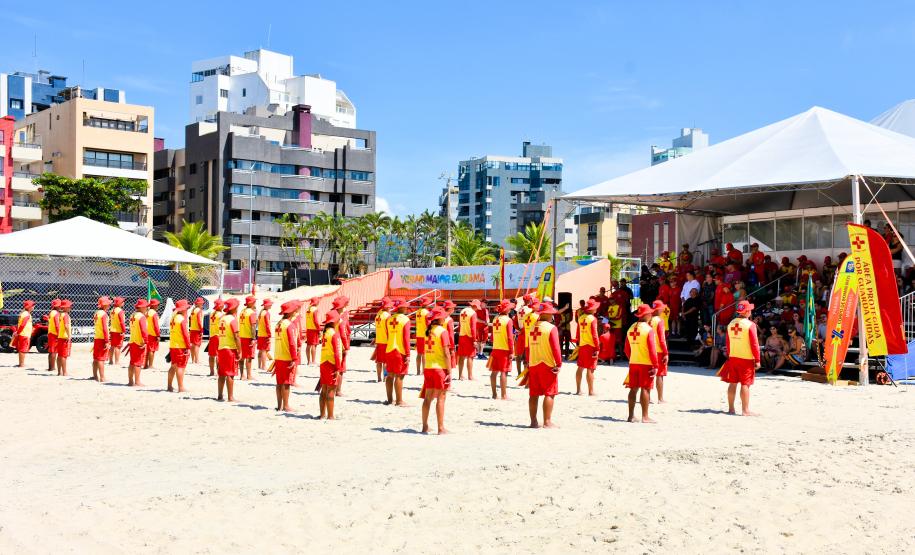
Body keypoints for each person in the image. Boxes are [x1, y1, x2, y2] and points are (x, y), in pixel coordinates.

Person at [719, 301, 761, 415]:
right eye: (750, 310)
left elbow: (728, 342)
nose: (751, 311)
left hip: (733, 357)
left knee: (732, 383)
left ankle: (731, 409)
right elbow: (754, 344)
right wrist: (757, 360)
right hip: (746, 358)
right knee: (745, 384)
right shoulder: (750, 325)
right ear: (747, 311)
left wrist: (729, 355)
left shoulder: (731, 323)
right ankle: (745, 410)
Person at [527, 303, 562, 428]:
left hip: (533, 363)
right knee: (549, 393)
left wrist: (528, 362)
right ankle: (547, 422)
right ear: (546, 314)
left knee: (533, 394)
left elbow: (528, 348)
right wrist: (559, 363)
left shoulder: (531, 327)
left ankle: (533, 422)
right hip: (547, 364)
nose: (553, 315)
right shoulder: (551, 328)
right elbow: (556, 348)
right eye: (551, 313)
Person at [624, 304, 659, 423]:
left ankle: (631, 416)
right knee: (646, 389)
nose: (651, 315)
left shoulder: (631, 328)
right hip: (646, 363)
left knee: (633, 389)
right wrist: (655, 365)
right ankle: (645, 416)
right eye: (650, 313)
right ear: (646, 315)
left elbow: (626, 349)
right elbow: (652, 349)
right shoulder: (648, 330)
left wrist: (632, 358)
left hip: (633, 362)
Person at [421, 308, 452, 434]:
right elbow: (446, 353)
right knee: (441, 398)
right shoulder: (442, 332)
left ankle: (425, 426)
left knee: (427, 398)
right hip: (440, 368)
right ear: (439, 318)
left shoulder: (427, 331)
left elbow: (424, 353)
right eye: (443, 316)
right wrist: (449, 371)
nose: (445, 318)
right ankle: (440, 428)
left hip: (428, 367)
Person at [273, 300, 301, 412]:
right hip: (286, 357)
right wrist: (294, 358)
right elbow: (292, 343)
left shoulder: (278, 323)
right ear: (291, 312)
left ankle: (279, 405)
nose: (295, 312)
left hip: (278, 356)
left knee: (279, 382)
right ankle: (285, 406)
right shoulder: (290, 325)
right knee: (286, 383)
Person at [384, 299, 412, 406]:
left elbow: (388, 335)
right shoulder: (405, 319)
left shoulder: (389, 319)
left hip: (389, 348)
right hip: (399, 350)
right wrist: (408, 354)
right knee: (400, 376)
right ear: (402, 308)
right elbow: (406, 338)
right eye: (405, 307)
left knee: (390, 375)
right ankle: (399, 401)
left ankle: (390, 400)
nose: (407, 308)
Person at [487, 299, 515, 400]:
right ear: (507, 309)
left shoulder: (495, 319)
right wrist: (512, 351)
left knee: (494, 372)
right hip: (504, 349)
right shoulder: (508, 320)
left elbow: (493, 336)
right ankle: (504, 395)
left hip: (496, 347)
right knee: (504, 372)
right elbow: (510, 337)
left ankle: (494, 394)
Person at [319, 310, 344, 419]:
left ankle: (322, 414)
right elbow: (337, 352)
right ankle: (330, 415)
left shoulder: (325, 332)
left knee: (324, 389)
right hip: (331, 364)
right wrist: (338, 368)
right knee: (331, 390)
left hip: (323, 363)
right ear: (335, 321)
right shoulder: (334, 334)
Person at [217, 298, 241, 402]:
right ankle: (230, 397)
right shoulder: (232, 319)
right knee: (231, 374)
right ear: (234, 308)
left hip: (221, 348)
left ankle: (220, 395)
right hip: (230, 349)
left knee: (222, 373)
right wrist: (240, 351)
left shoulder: (222, 318)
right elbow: (236, 336)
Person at [574, 298, 599, 396]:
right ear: (592, 309)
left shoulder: (581, 318)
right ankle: (591, 391)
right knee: (590, 369)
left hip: (583, 344)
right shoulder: (593, 319)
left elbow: (578, 333)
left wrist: (578, 343)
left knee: (580, 367)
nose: (596, 309)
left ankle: (578, 390)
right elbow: (594, 334)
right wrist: (597, 347)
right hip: (591, 345)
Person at [167, 300, 191, 393]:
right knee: (181, 367)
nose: (187, 310)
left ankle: (169, 386)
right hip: (180, 346)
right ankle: (181, 387)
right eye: (186, 308)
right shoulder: (181, 319)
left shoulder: (173, 317)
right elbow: (185, 334)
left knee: (173, 366)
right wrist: (188, 347)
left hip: (173, 345)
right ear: (183, 309)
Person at [650, 300, 670, 403]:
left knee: (649, 374)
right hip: (658, 350)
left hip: (649, 350)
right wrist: (666, 353)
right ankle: (660, 398)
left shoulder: (648, 319)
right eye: (661, 308)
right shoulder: (659, 321)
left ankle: (647, 397)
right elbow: (662, 339)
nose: (663, 309)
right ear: (658, 309)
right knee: (660, 374)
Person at [332, 296, 351, 396]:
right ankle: (337, 390)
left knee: (333, 366)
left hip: (330, 343)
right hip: (339, 343)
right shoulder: (341, 315)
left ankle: (331, 388)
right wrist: (346, 346)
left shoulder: (331, 314)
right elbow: (343, 331)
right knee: (340, 368)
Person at [127, 299, 149, 387]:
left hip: (132, 340)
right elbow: (144, 330)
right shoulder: (141, 317)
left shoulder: (133, 315)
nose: (147, 308)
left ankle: (130, 381)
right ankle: (137, 381)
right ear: (142, 307)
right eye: (146, 306)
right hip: (139, 342)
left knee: (132, 362)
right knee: (138, 363)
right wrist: (146, 341)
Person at [457, 300, 479, 380]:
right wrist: (474, 339)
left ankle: (460, 375)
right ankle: (470, 376)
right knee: (470, 356)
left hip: (462, 335)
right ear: (475, 306)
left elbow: (459, 325)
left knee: (462, 356)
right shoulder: (473, 313)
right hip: (469, 336)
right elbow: (473, 328)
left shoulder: (462, 311)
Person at [373, 297, 393, 382]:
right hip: (386, 341)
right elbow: (389, 330)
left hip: (379, 340)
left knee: (379, 361)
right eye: (389, 306)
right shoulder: (387, 316)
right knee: (386, 362)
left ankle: (379, 378)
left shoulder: (378, 314)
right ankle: (385, 377)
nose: (390, 308)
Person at [92, 297, 111, 382]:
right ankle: (102, 377)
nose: (109, 305)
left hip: (97, 337)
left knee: (96, 358)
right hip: (102, 338)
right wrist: (107, 340)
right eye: (108, 304)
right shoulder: (104, 314)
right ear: (104, 305)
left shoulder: (96, 313)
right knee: (101, 359)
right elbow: (105, 328)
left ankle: (95, 376)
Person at [238, 296, 257, 381]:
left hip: (241, 336)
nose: (255, 303)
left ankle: (242, 375)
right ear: (251, 303)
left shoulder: (242, 311)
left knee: (241, 356)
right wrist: (253, 338)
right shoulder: (251, 313)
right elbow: (253, 326)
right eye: (254, 302)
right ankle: (249, 375)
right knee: (249, 357)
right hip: (248, 337)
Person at [11, 299, 34, 368]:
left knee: (21, 349)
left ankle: (20, 363)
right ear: (29, 307)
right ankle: (22, 364)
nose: (33, 307)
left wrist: (18, 332)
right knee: (23, 350)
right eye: (32, 306)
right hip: (24, 334)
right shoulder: (27, 314)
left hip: (22, 333)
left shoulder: (23, 313)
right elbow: (23, 325)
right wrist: (18, 332)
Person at [414, 296, 433, 375]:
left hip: (419, 334)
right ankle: (424, 370)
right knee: (424, 353)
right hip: (425, 335)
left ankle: (418, 371)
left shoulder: (417, 312)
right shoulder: (427, 313)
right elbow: (428, 324)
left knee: (419, 353)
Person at [55, 300, 73, 377]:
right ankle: (64, 372)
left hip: (60, 336)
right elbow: (66, 326)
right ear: (65, 307)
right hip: (64, 337)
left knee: (59, 355)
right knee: (64, 356)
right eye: (69, 306)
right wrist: (69, 336)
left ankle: (59, 372)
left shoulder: (60, 314)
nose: (70, 308)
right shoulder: (65, 315)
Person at [207, 299, 224, 377]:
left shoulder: (212, 314)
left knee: (211, 355)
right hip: (218, 335)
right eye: (222, 305)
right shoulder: (221, 315)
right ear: (220, 306)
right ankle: (218, 372)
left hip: (212, 335)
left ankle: (211, 372)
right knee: (218, 355)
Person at [107, 297, 125, 366]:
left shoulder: (112, 310)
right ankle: (117, 361)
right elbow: (121, 322)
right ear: (120, 303)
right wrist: (123, 330)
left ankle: (110, 361)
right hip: (118, 330)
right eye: (122, 302)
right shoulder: (120, 311)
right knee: (118, 346)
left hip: (112, 330)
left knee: (112, 346)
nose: (124, 303)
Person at [257, 299, 273, 371]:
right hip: (264, 334)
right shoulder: (266, 313)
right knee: (264, 350)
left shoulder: (261, 312)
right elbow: (267, 325)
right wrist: (269, 334)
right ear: (266, 305)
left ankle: (259, 365)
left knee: (260, 350)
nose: (271, 305)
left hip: (260, 333)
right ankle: (263, 366)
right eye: (270, 304)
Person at [304, 297, 321, 366]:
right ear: (316, 302)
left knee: (308, 345)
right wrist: (319, 329)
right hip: (314, 329)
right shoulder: (315, 310)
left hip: (308, 328)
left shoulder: (308, 309)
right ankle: (313, 361)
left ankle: (308, 361)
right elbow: (316, 320)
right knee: (314, 345)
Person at [145, 299, 161, 370]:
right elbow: (156, 325)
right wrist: (158, 335)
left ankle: (145, 364)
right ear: (154, 305)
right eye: (157, 304)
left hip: (147, 333)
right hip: (153, 333)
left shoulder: (147, 312)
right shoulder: (154, 313)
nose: (158, 306)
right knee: (152, 350)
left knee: (148, 350)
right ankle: (150, 365)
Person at [189, 297, 205, 364]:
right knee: (197, 345)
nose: (203, 304)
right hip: (197, 329)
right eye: (202, 303)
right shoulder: (199, 310)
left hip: (192, 329)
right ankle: (197, 360)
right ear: (200, 303)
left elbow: (190, 319)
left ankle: (193, 360)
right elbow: (199, 321)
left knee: (192, 345)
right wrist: (201, 330)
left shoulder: (193, 310)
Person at [46, 299, 60, 372]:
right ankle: (52, 367)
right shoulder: (56, 313)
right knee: (53, 351)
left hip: (51, 333)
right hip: (54, 334)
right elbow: (57, 325)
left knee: (51, 351)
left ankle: (50, 367)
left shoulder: (51, 312)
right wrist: (59, 334)